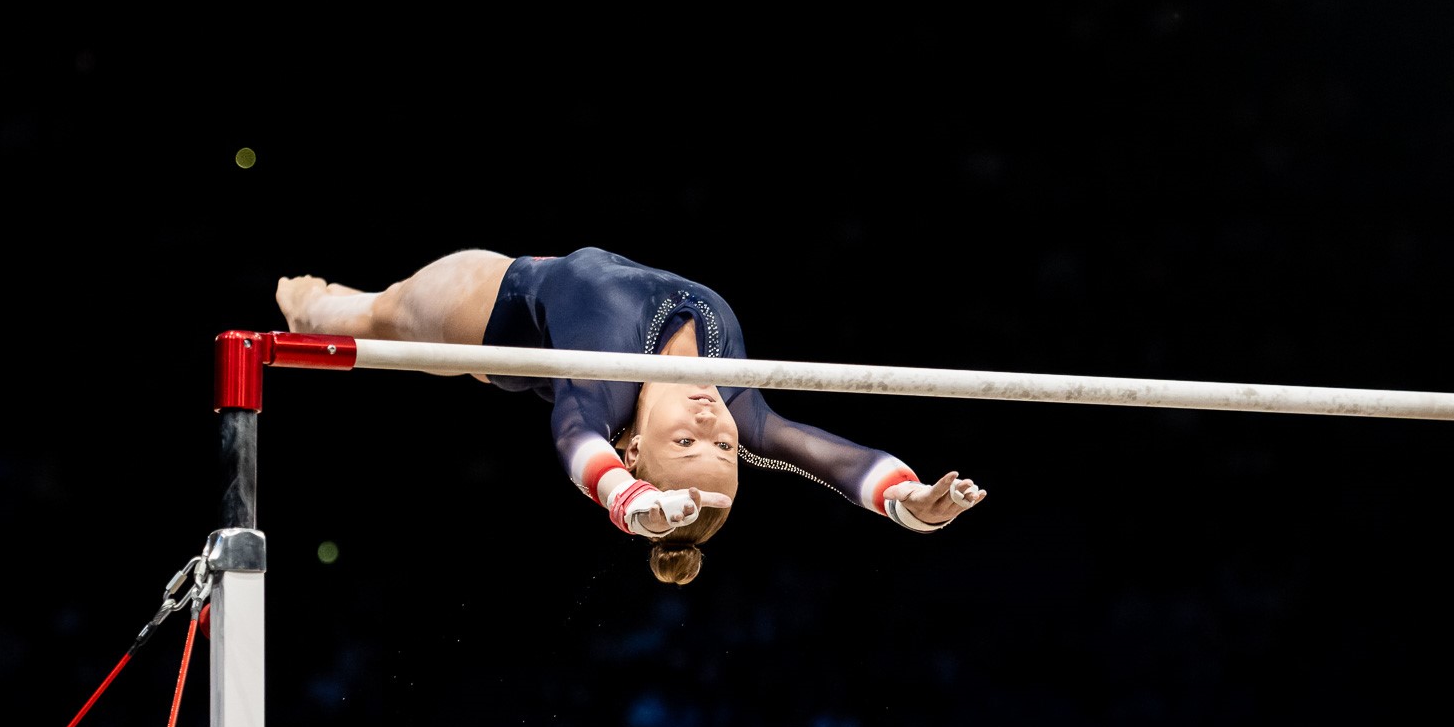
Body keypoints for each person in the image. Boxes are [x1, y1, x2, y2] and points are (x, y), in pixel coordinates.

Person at [275, 246, 986, 584]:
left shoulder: (607, 391)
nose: (711, 421)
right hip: (547, 318)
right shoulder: (738, 400)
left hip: (491, 313)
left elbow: (575, 436)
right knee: (375, 317)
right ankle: (323, 305)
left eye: (686, 439)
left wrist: (628, 501)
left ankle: (314, 309)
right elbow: (834, 459)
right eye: (723, 446)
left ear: (635, 448)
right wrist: (913, 504)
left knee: (376, 318)